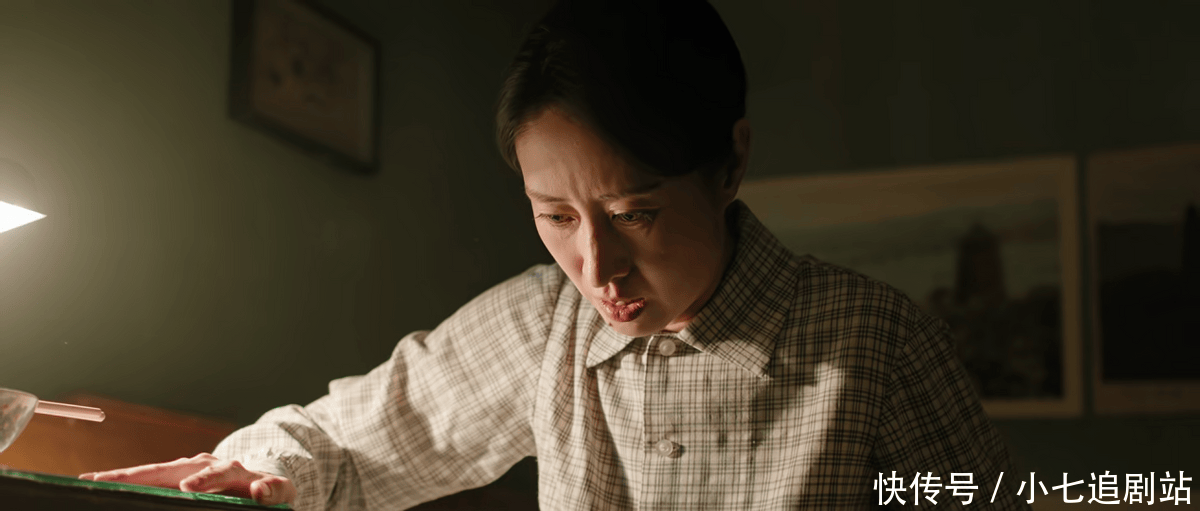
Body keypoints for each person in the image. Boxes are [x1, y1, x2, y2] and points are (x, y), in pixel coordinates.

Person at [81, 0, 1029, 509]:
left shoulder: (873, 340)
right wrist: (253, 471)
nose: (597, 267)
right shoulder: (545, 326)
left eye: (635, 213)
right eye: (556, 214)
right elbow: (344, 443)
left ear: (731, 162)